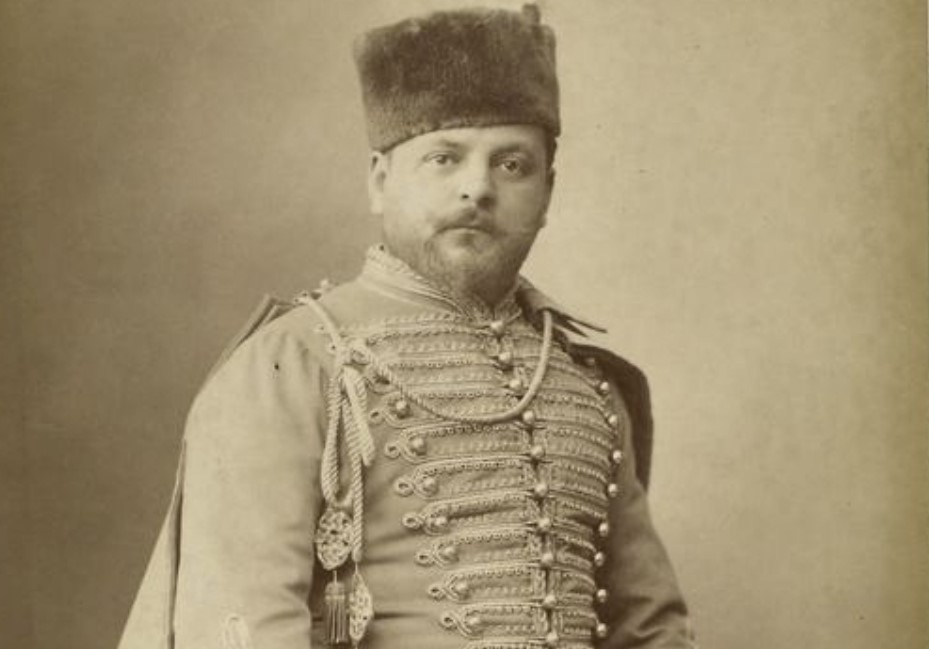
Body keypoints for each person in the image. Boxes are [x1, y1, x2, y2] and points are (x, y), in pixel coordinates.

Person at [118, 5, 696, 649]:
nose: (477, 188)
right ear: (380, 180)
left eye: (512, 165)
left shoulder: (585, 389)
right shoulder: (293, 365)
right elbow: (240, 628)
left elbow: (654, 629)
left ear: (548, 194)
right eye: (444, 159)